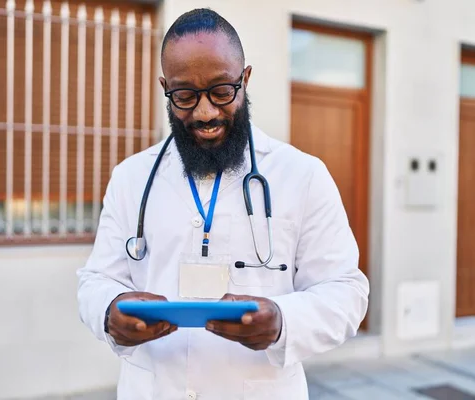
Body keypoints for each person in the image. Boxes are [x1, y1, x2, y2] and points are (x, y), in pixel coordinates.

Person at [77, 8, 369, 400]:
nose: (205, 112)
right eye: (184, 96)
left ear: (245, 79)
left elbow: (346, 291)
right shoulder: (131, 178)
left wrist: (283, 321)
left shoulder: (302, 175)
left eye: (221, 91)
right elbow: (97, 279)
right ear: (165, 87)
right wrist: (110, 312)